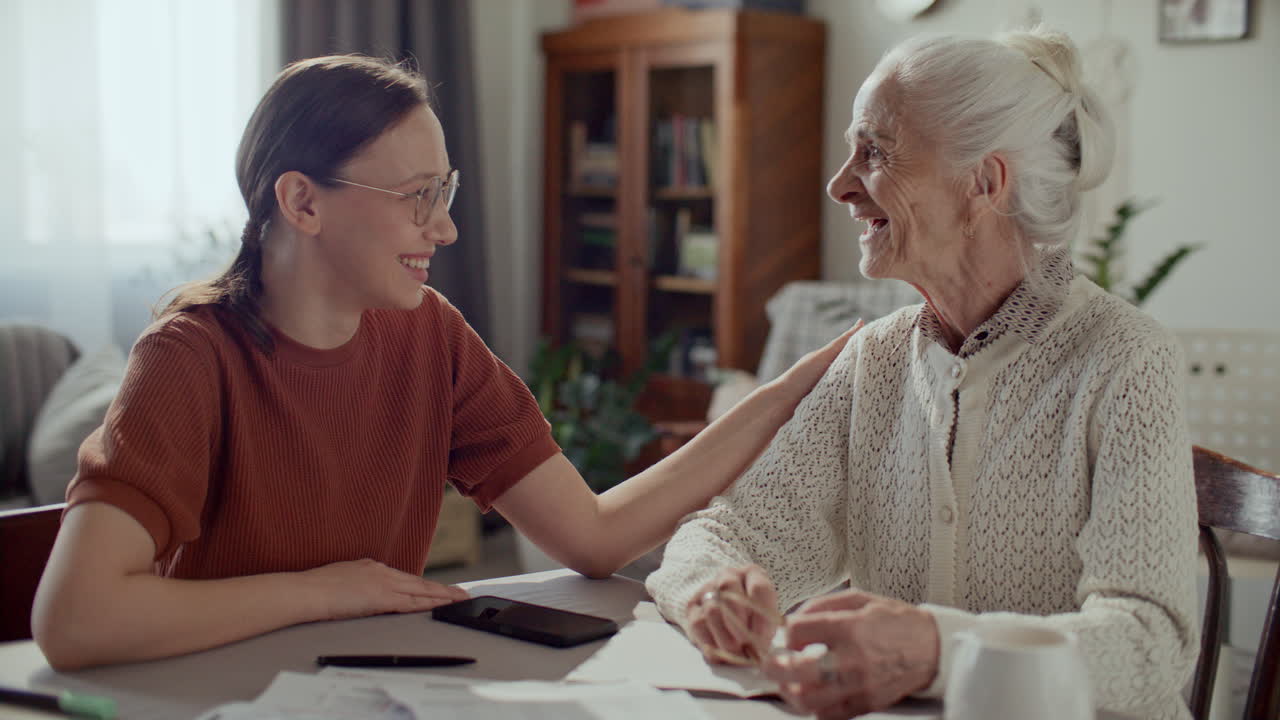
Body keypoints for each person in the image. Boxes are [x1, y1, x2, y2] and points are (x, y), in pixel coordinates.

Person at [31, 55, 853, 671]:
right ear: (303, 201)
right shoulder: (189, 358)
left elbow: (594, 537)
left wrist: (784, 393)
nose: (445, 228)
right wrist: (324, 591)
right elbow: (75, 621)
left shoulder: (430, 335)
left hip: (366, 685)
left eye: (445, 194)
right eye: (417, 197)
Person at [646, 26, 1198, 720]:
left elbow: (1150, 644)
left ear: (984, 182)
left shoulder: (1125, 360)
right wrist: (713, 589)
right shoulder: (873, 360)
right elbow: (725, 533)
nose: (840, 185)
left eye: (874, 151)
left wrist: (936, 649)